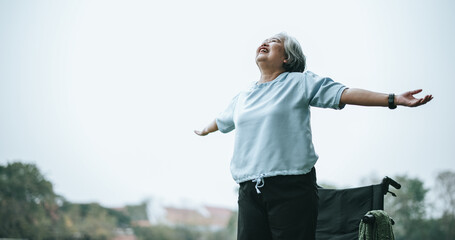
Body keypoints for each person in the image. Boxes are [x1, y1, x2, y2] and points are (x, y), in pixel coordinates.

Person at [194, 32, 433, 240]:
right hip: (249, 191)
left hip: (292, 187)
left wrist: (393, 99)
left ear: (287, 58)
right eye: (264, 40)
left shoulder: (300, 82)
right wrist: (204, 129)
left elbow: (345, 93)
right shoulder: (243, 96)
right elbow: (222, 120)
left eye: (274, 41)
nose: (264, 42)